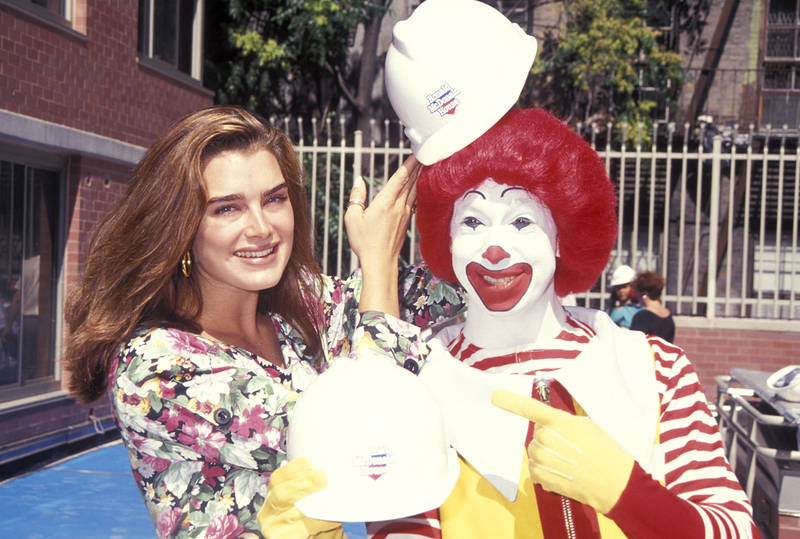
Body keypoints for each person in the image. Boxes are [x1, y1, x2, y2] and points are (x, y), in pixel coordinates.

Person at [62, 106, 464, 539]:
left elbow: (451, 286)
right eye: (227, 209)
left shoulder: (297, 310)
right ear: (180, 228)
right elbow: (371, 432)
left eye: (274, 199)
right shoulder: (157, 366)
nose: (261, 228)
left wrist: (475, 160)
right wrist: (379, 260)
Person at [365, 107, 760, 539]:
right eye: (473, 221)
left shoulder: (656, 369)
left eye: (521, 221)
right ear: (449, 239)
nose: (494, 248)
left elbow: (739, 529)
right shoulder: (419, 383)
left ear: (561, 236)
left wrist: (628, 493)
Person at [630, 270, 675, 343]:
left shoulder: (642, 317)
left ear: (645, 293)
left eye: (637, 292)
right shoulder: (668, 315)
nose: (636, 295)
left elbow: (634, 344)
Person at [604, 264, 643, 329]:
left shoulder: (641, 309)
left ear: (633, 287)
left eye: (624, 287)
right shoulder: (611, 311)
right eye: (618, 288)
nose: (621, 291)